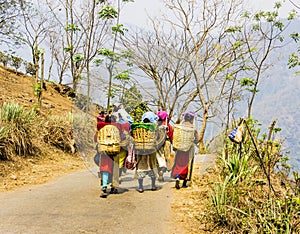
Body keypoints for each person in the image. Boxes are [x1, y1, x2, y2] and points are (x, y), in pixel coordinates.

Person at [95, 114, 123, 197]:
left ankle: (104, 186)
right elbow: (122, 137)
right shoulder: (117, 127)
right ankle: (114, 187)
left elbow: (95, 138)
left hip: (104, 151)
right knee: (115, 168)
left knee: (104, 167)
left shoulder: (101, 128)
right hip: (114, 150)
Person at [171, 111, 199, 189]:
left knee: (178, 162)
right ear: (192, 119)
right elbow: (197, 139)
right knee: (188, 164)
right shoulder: (193, 128)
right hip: (189, 149)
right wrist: (194, 142)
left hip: (180, 148)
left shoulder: (179, 127)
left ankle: (177, 176)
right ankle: (184, 183)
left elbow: (175, 136)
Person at [133, 111, 159, 193]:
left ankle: (141, 187)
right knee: (152, 166)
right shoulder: (154, 127)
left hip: (140, 150)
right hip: (151, 150)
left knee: (141, 167)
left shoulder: (138, 127)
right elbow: (158, 137)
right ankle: (153, 185)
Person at [156, 110, 173, 182]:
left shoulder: (156, 125)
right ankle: (163, 171)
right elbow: (171, 135)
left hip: (158, 143)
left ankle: (159, 172)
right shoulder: (168, 126)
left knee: (159, 158)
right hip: (167, 142)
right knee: (167, 158)